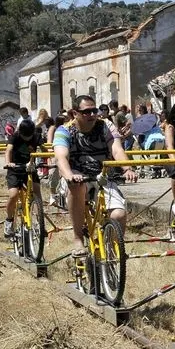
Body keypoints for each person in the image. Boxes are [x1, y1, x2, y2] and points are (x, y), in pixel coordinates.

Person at [53, 95, 138, 257]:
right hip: (77, 177)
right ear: (74, 113)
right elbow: (61, 157)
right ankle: (78, 238)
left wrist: (127, 168)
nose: (92, 115)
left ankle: (111, 253)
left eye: (94, 111)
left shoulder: (106, 126)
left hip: (103, 177)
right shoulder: (64, 131)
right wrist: (69, 175)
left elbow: (117, 149)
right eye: (86, 112)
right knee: (77, 187)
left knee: (119, 214)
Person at [3, 119, 42, 237]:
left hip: (30, 168)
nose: (28, 138)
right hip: (15, 169)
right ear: (20, 132)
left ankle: (40, 222)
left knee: (37, 191)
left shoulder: (36, 136)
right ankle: (9, 220)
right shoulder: (14, 137)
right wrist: (8, 162)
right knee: (14, 195)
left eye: (30, 136)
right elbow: (8, 150)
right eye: (25, 136)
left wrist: (49, 160)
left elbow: (44, 149)